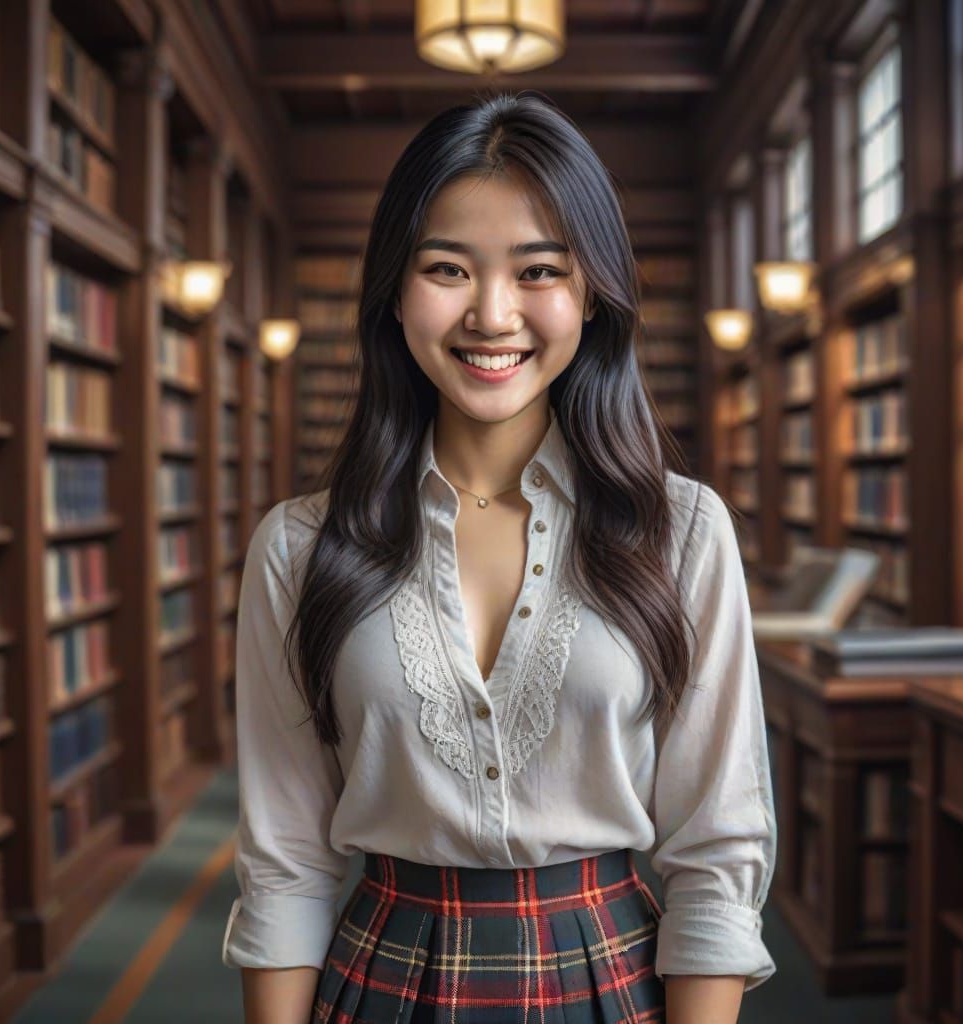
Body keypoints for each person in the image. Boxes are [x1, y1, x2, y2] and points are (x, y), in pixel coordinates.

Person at [221, 90, 777, 1023]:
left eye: (537, 271)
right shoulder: (298, 545)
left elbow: (717, 852)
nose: (491, 313)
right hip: (382, 978)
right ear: (395, 294)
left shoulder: (683, 531)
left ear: (590, 294)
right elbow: (285, 861)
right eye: (447, 267)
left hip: (612, 979)